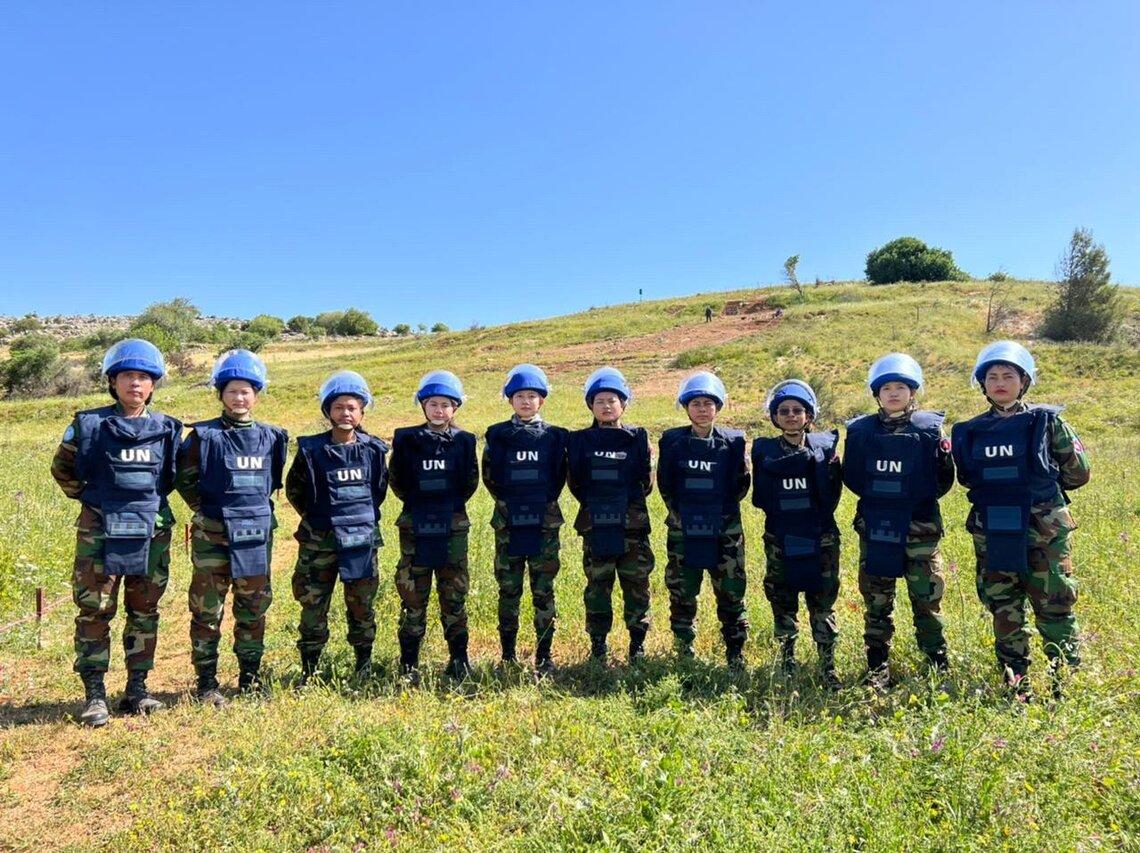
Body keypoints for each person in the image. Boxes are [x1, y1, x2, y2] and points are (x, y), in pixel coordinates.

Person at [50, 338, 182, 726]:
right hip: (100, 532)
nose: (135, 384)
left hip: (151, 531)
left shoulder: (169, 429)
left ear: (153, 384)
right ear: (113, 381)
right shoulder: (88, 424)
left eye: (143, 377)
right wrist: (94, 502)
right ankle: (95, 695)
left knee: (145, 610)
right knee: (95, 610)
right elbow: (63, 469)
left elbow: (174, 476)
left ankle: (137, 690)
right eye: (127, 376)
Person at [951, 341, 1090, 700]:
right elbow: (967, 477)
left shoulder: (1047, 422)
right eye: (991, 377)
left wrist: (1039, 489)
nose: (999, 382)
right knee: (1004, 606)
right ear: (982, 385)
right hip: (994, 532)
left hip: (1043, 532)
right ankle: (1017, 685)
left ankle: (1065, 682)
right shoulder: (969, 431)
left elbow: (1079, 472)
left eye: (1008, 376)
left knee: (1054, 603)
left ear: (1023, 381)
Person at [176, 349, 288, 706]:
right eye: (232, 391)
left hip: (255, 537)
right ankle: (206, 682)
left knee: (253, 607)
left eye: (246, 391)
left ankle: (250, 678)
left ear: (256, 394)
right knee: (207, 610)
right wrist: (210, 511)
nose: (239, 397)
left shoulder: (272, 437)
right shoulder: (202, 436)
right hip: (213, 537)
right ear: (220, 393)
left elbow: (271, 482)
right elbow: (185, 479)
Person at [843, 353, 954, 690]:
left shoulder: (930, 429)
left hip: (920, 530)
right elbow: (853, 477)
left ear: (912, 392)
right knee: (877, 602)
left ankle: (938, 665)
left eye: (900, 387)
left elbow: (943, 479)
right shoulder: (861, 431)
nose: (893, 393)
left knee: (927, 600)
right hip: (877, 530)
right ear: (877, 394)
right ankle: (877, 668)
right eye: (886, 388)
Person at [285, 371, 389, 683]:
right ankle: (310, 671)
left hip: (360, 540)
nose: (345, 413)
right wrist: (321, 520)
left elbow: (378, 491)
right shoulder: (310, 450)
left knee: (361, 605)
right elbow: (295, 491)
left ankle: (364, 666)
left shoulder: (374, 450)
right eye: (339, 407)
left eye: (352, 408)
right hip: (319, 542)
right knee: (313, 605)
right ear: (328, 411)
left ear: (362, 412)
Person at [752, 380, 842, 688]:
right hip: (780, 537)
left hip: (821, 538)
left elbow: (831, 496)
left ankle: (827, 666)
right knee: (782, 600)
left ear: (809, 415)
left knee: (823, 603)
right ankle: (786, 662)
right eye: (784, 411)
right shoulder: (764, 451)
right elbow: (761, 497)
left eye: (798, 410)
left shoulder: (825, 450)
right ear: (775, 417)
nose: (791, 416)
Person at [390, 370, 479, 681]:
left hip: (452, 527)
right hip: (415, 526)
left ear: (454, 408)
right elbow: (397, 480)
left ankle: (458, 660)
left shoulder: (466, 441)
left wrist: (445, 508)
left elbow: (470, 482)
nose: (439, 410)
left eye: (445, 405)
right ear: (423, 406)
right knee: (413, 596)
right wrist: (422, 505)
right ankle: (409, 665)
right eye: (433, 404)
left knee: (454, 595)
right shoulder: (406, 439)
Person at [658, 372, 750, 667]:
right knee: (683, 593)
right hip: (684, 531)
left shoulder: (734, 441)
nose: (702, 409)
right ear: (687, 407)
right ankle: (684, 654)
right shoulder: (672, 441)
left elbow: (740, 484)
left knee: (731, 594)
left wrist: (718, 515)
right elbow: (665, 484)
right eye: (695, 403)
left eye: (708, 403)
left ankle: (735, 654)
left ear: (718, 407)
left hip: (725, 532)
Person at [482, 364, 568, 674]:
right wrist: (513, 503)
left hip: (544, 523)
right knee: (509, 589)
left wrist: (538, 502)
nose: (526, 401)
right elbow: (489, 476)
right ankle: (507, 655)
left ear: (542, 400)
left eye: (532, 396)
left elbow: (559, 476)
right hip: (508, 523)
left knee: (543, 590)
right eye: (520, 396)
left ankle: (545, 656)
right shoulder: (497, 434)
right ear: (510, 400)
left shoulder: (557, 437)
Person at [566, 367, 654, 663]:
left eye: (612, 400)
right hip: (596, 526)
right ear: (591, 405)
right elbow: (575, 482)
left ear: (623, 404)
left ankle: (637, 646)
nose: (606, 405)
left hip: (632, 528)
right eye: (600, 400)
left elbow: (647, 481)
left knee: (637, 587)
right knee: (597, 588)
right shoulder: (578, 441)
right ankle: (598, 646)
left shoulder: (638, 438)